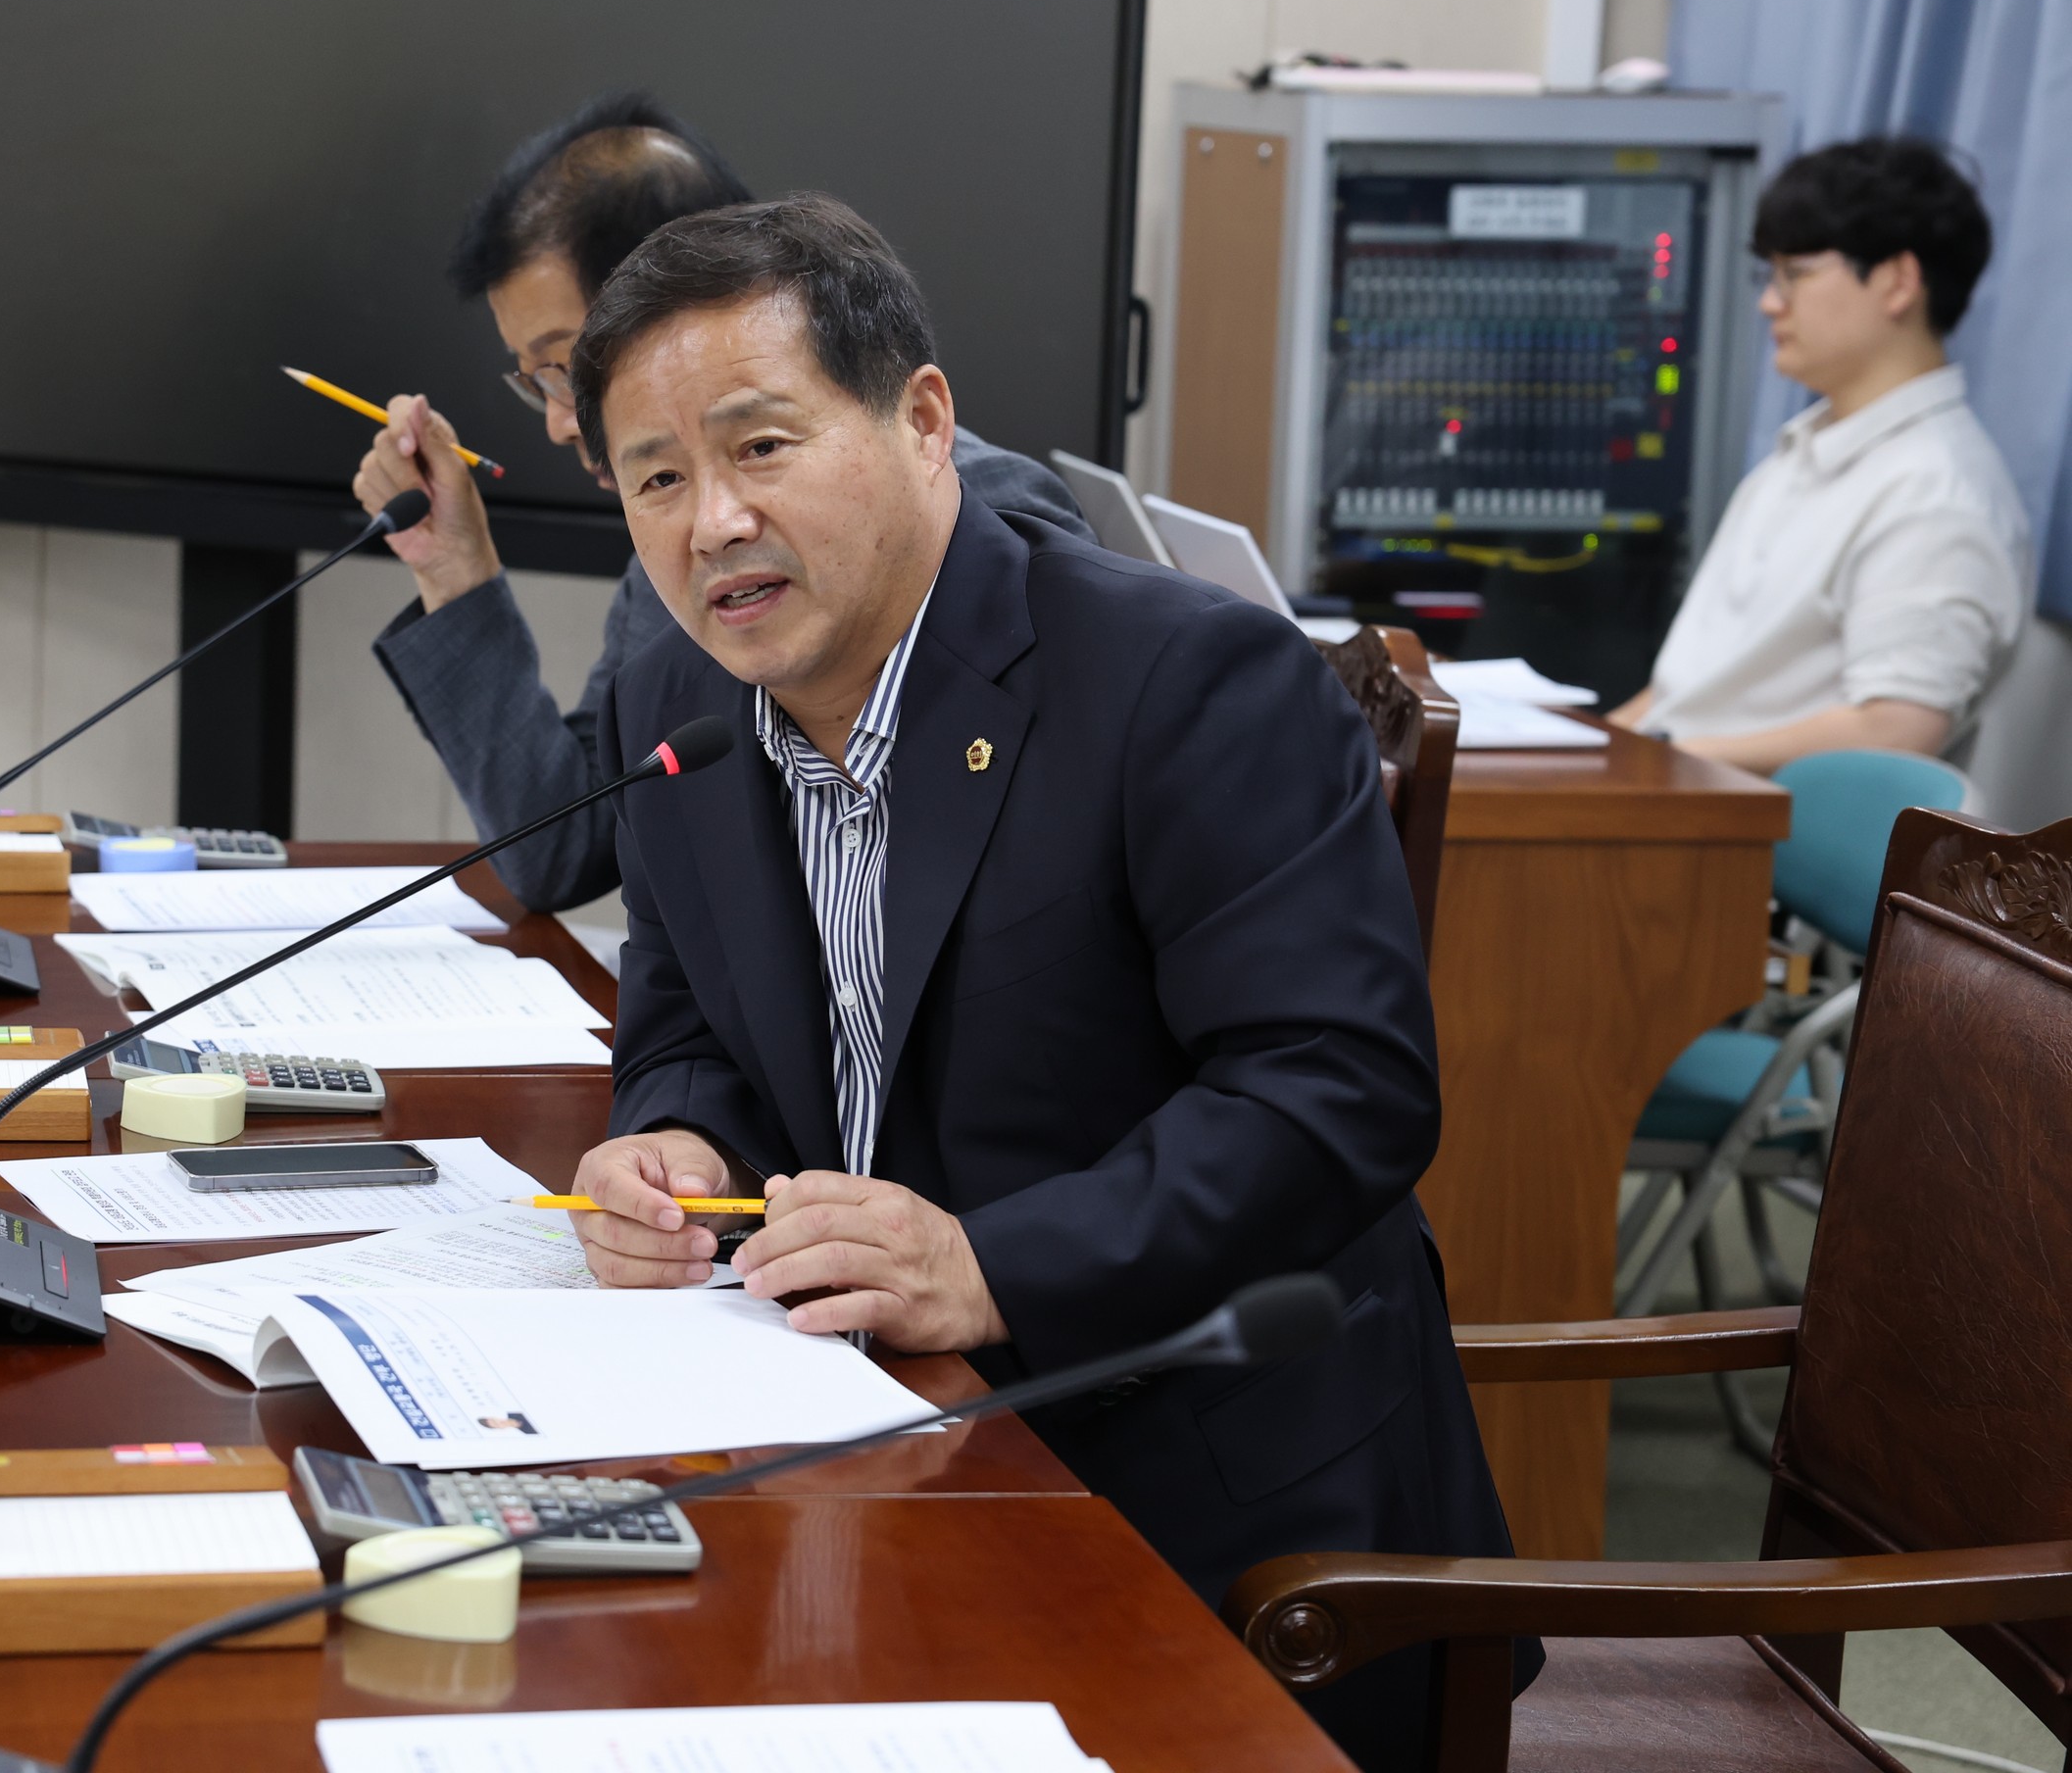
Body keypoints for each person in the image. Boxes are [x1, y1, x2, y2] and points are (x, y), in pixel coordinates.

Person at [562, 194, 1519, 1771]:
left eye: (762, 447)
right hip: (871, 1449)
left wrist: (988, 1266)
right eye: (657, 479)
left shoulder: (1185, 680)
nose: (712, 521)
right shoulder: (681, 699)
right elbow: (683, 1013)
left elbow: (1337, 1093)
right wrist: (677, 1140)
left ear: (924, 422)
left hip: (1206, 1508)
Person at [353, 93, 1088, 914]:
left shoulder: (987, 512)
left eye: (564, 367)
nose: (561, 421)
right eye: (539, 382)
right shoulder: (678, 540)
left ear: (665, 296)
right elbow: (569, 844)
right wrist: (454, 569)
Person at [1611, 137, 2026, 771]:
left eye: (1795, 274)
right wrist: (1585, 749)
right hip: (1676, 794)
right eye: (1770, 276)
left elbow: (1896, 729)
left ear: (1897, 282)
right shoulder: (1800, 456)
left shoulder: (1933, 494)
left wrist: (1665, 761)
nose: (1769, 302)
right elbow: (1682, 697)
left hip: (1747, 825)